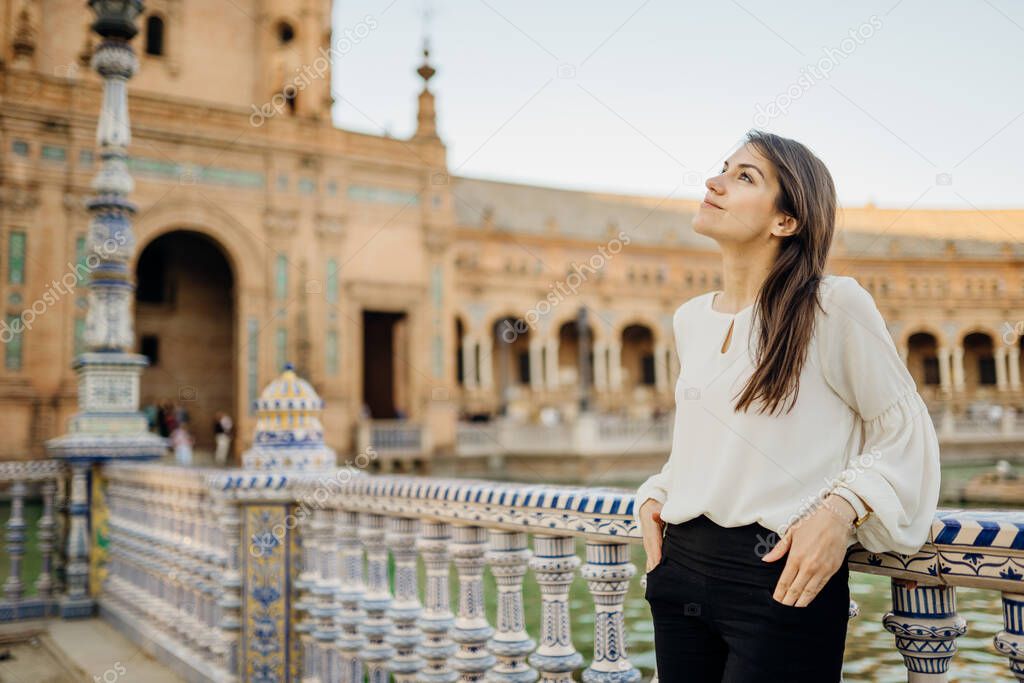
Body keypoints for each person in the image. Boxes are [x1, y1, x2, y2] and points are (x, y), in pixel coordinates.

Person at [634, 130, 941, 682]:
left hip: (779, 581)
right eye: (723, 168)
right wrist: (659, 492)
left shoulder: (834, 304)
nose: (715, 181)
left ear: (786, 221)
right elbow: (708, 445)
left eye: (744, 177)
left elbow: (904, 430)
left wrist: (843, 507)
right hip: (679, 571)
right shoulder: (690, 319)